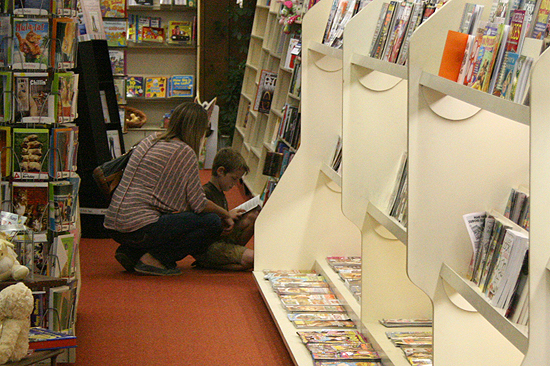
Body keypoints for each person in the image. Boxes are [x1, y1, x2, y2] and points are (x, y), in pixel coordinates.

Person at [104, 102, 239, 276]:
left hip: (114, 224)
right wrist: (226, 214)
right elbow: (198, 204)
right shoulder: (184, 151)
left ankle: (131, 252)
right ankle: (156, 259)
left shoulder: (150, 139)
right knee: (211, 221)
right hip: (139, 226)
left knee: (172, 219)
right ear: (197, 129)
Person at [193, 148, 258, 271]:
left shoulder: (220, 192)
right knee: (255, 259)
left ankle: (235, 254)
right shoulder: (205, 193)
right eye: (233, 178)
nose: (234, 183)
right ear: (221, 171)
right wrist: (226, 216)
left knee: (253, 216)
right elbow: (203, 228)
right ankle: (210, 263)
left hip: (221, 240)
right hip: (210, 247)